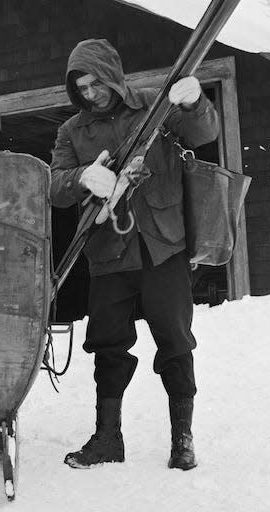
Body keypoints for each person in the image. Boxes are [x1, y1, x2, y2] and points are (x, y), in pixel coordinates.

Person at [50, 38, 219, 470]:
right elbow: (54, 187)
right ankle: (108, 438)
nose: (90, 93)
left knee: (176, 342)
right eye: (81, 88)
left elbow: (204, 134)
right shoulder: (72, 132)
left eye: (95, 83)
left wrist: (194, 102)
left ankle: (182, 439)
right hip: (109, 254)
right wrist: (82, 178)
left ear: (111, 73)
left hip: (163, 246)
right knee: (108, 346)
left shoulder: (155, 107)